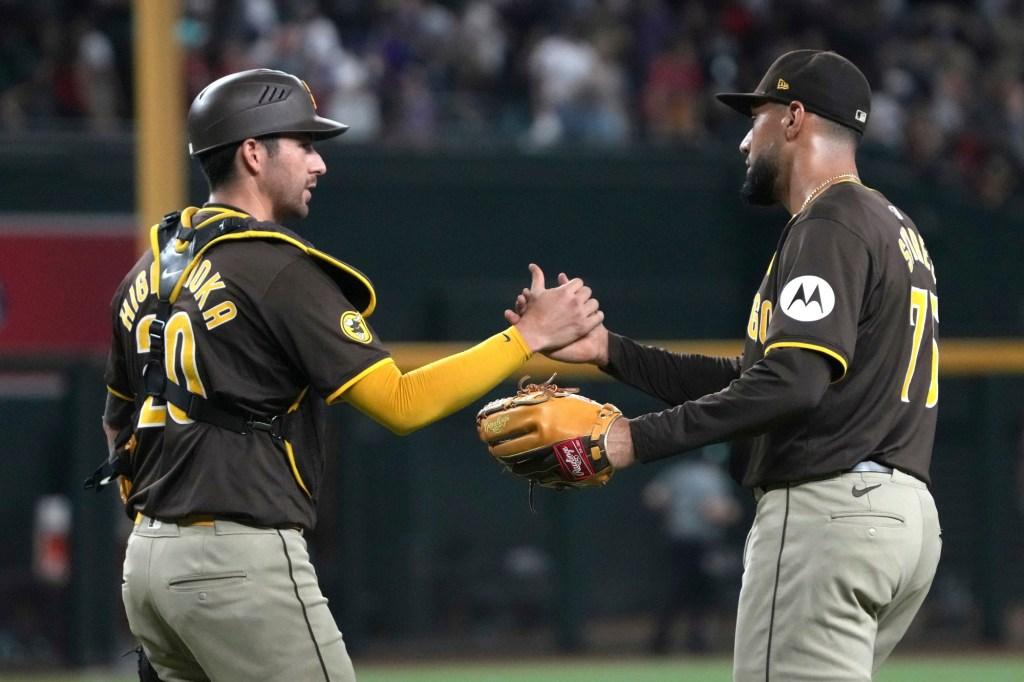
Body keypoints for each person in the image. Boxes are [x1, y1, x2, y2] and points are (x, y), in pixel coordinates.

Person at [101, 68, 602, 682]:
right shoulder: (274, 268)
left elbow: (117, 426)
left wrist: (164, 533)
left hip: (148, 566)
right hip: (235, 561)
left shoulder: (145, 276)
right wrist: (526, 339)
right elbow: (401, 401)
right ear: (254, 153)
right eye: (305, 146)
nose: (320, 165)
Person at [509, 50, 942, 681]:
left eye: (757, 118)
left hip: (831, 511)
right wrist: (611, 353)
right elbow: (760, 381)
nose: (744, 141)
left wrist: (631, 438)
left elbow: (789, 386)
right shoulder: (890, 225)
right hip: (903, 520)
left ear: (794, 118)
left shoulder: (829, 222)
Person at [643, 446, 741, 654]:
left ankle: (659, 643)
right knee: (702, 594)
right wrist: (730, 513)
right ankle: (696, 643)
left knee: (674, 592)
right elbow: (715, 510)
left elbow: (654, 496)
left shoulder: (681, 472)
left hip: (676, 541)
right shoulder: (712, 477)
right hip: (701, 543)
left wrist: (677, 508)